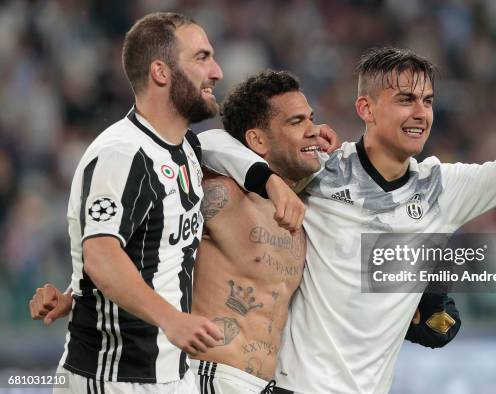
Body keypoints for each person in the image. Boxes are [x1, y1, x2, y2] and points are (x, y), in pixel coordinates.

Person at [31, 70, 461, 394]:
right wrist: (78, 290)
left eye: (312, 118)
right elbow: (147, 233)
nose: (314, 129)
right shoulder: (219, 191)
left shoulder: (307, 208)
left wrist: (419, 298)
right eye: (296, 122)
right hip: (206, 376)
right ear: (255, 140)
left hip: (267, 385)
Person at [197, 46, 496, 393]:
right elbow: (211, 143)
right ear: (366, 108)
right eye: (405, 99)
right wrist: (271, 182)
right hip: (293, 386)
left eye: (428, 101)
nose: (421, 113)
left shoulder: (443, 190)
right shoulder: (320, 173)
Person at [46, 12, 308, 393]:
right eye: (201, 58)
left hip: (171, 374)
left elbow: (146, 243)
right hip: (113, 376)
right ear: (161, 72)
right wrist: (172, 320)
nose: (216, 71)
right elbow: (101, 256)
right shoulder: (122, 154)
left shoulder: (186, 149)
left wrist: (270, 181)